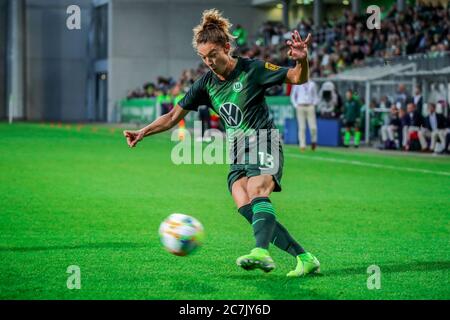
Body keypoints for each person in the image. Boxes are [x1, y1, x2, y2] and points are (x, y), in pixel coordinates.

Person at [123, 9, 320, 277]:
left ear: (227, 47)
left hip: (264, 140)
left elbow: (298, 77)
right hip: (237, 150)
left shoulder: (253, 70)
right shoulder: (205, 84)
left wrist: (302, 60)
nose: (209, 62)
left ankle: (261, 251)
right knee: (244, 204)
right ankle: (304, 258)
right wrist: (143, 132)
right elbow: (172, 117)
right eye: (204, 58)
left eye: (213, 55)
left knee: (257, 189)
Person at [290, 79, 319, 151]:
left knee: (313, 127)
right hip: (300, 106)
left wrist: (314, 104)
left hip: (310, 106)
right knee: (302, 127)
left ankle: (313, 141)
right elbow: (293, 95)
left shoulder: (312, 84)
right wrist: (296, 105)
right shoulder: (297, 83)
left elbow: (315, 96)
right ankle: (302, 145)